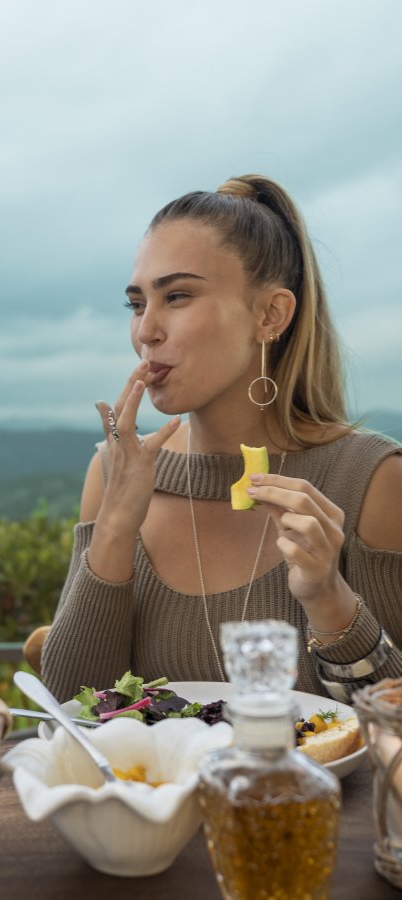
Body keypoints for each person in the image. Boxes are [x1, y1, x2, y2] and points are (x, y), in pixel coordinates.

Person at [43, 174, 402, 703]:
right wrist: (116, 525)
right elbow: (76, 709)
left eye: (178, 296)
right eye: (137, 303)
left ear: (270, 314)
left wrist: (329, 597)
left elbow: (391, 727)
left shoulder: (371, 480)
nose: (146, 331)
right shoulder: (114, 471)